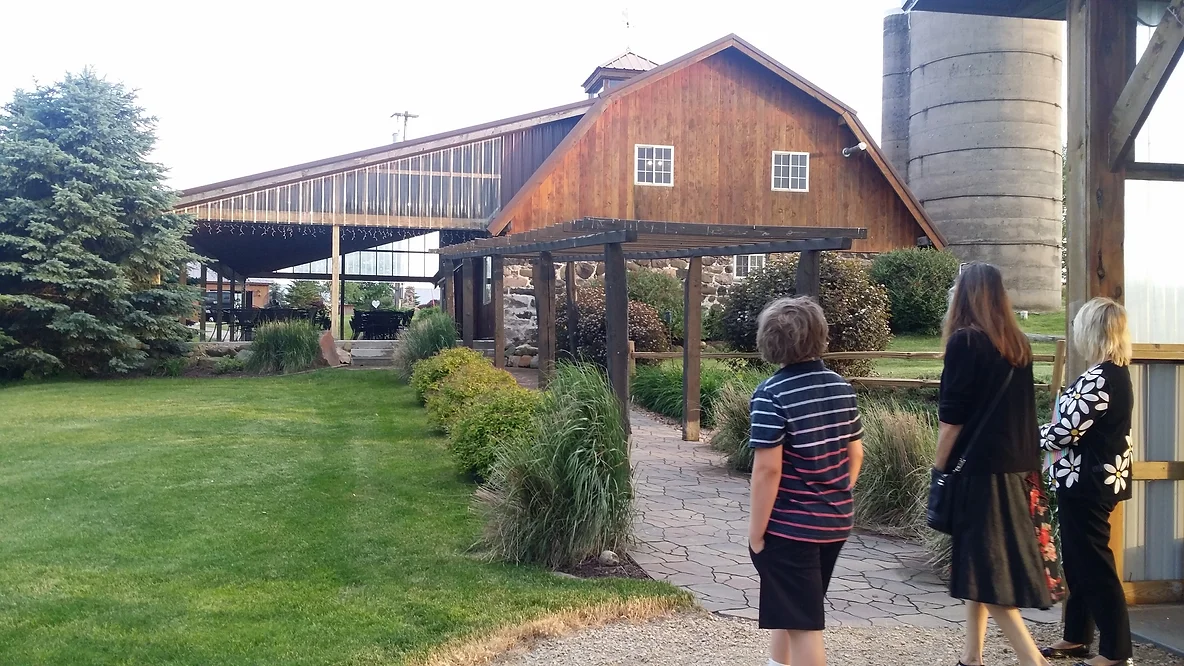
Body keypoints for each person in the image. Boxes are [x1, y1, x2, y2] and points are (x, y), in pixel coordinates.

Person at [937, 263, 1051, 666]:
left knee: (986, 571)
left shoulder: (965, 342)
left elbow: (952, 420)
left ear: (964, 296)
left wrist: (939, 470)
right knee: (980, 563)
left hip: (981, 474)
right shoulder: (1017, 344)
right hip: (1020, 472)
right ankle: (971, 657)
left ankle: (1033, 660)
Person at [747, 296, 865, 666]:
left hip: (790, 528)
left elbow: (768, 471)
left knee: (803, 625)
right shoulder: (841, 388)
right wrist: (833, 497)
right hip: (835, 522)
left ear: (769, 341)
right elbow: (855, 454)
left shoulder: (771, 394)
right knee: (792, 609)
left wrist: (756, 533)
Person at [1039, 298, 1134, 666]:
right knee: (1079, 562)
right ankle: (1076, 636)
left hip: (1087, 484)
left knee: (1093, 565)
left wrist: (1027, 434)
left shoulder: (1100, 378)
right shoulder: (1115, 374)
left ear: (1092, 332)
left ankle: (1115, 651)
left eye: (1078, 325)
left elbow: (1065, 431)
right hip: (1093, 481)